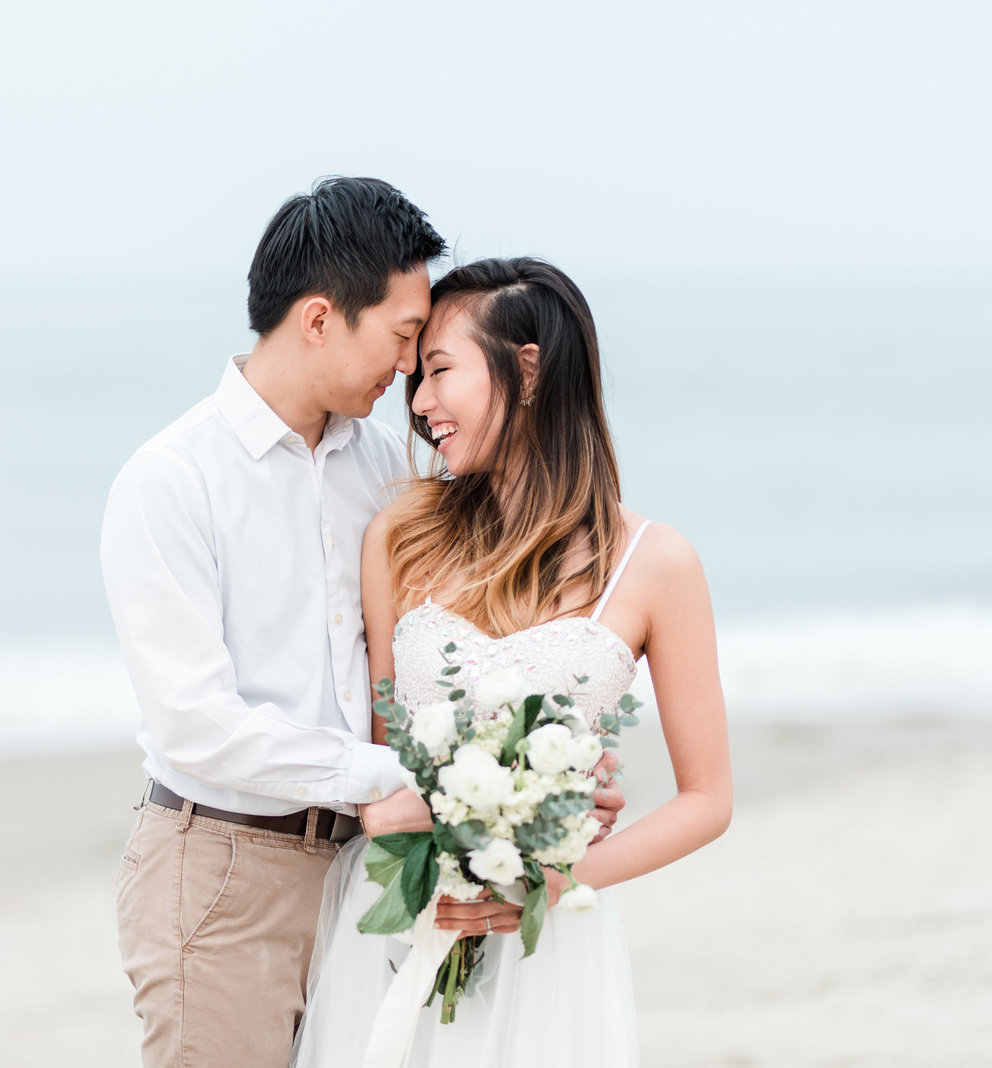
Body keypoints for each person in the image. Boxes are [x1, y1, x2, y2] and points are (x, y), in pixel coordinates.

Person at [100, 180, 628, 1068]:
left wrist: (556, 775)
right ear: (318, 318)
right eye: (403, 336)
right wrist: (384, 777)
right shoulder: (171, 482)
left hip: (378, 873)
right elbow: (193, 721)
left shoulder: (390, 471)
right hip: (230, 868)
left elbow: (477, 634)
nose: (413, 368)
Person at [291, 257, 733, 1066]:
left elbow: (707, 800)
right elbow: (384, 765)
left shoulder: (657, 564)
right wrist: (421, 812)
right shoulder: (400, 535)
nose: (419, 406)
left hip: (547, 952)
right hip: (402, 917)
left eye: (439, 371)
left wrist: (554, 874)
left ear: (527, 369)